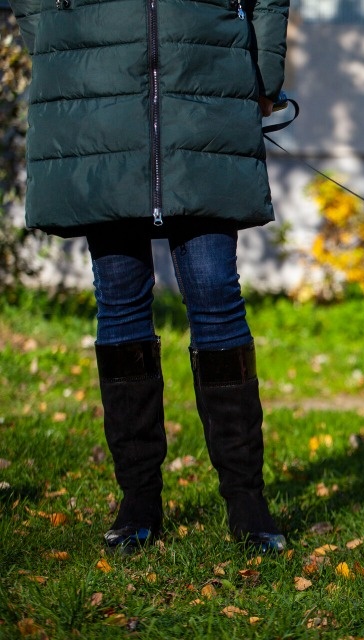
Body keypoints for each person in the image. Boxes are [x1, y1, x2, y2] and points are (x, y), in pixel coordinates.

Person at [10, 0, 290, 554]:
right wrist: (62, 39)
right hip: (98, 92)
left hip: (204, 83)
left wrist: (262, 74)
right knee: (118, 297)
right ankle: (137, 497)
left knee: (215, 293)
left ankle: (246, 500)